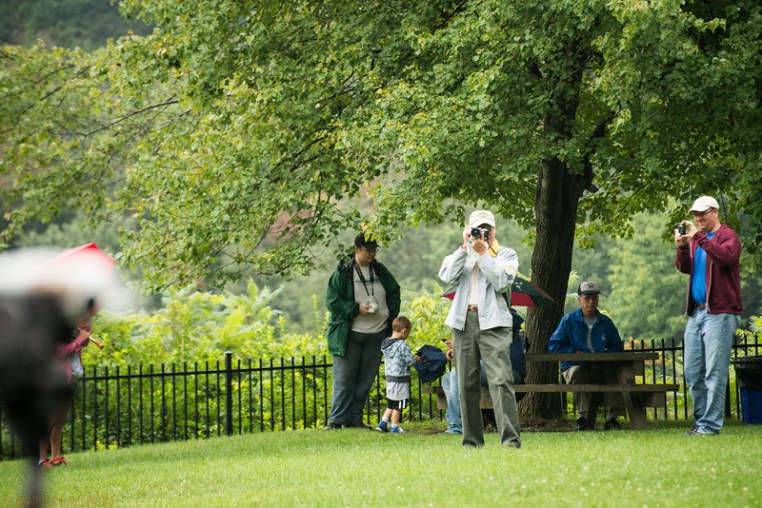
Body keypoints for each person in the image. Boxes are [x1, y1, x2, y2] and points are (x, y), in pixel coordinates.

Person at [439, 210, 521, 448]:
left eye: (488, 229)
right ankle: (472, 442)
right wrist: (464, 247)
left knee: (501, 380)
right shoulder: (463, 253)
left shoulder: (506, 254)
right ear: (470, 229)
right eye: (478, 229)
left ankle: (510, 441)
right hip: (463, 321)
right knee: (465, 384)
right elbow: (447, 276)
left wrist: (483, 253)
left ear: (494, 230)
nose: (483, 233)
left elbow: (502, 282)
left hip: (494, 323)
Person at [675, 195, 742, 436]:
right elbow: (684, 268)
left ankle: (710, 426)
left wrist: (698, 238)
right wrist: (683, 247)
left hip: (720, 312)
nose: (698, 218)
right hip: (697, 312)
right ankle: (702, 422)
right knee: (692, 372)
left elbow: (726, 258)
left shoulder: (727, 236)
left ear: (715, 212)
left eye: (702, 213)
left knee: (715, 371)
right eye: (695, 214)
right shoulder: (697, 240)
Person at [325, 233, 401, 430]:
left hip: (377, 334)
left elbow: (394, 292)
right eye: (368, 250)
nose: (372, 254)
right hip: (349, 334)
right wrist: (355, 309)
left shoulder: (379, 270)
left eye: (375, 250)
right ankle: (336, 420)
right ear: (357, 249)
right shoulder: (344, 272)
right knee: (344, 379)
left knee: (365, 380)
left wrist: (390, 317)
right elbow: (332, 302)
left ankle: (355, 419)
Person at [548, 281, 625, 431]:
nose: (591, 302)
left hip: (601, 364)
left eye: (594, 298)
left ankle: (613, 418)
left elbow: (616, 344)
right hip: (574, 365)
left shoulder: (605, 322)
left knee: (617, 373)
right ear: (579, 299)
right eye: (587, 298)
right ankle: (582, 417)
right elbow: (554, 344)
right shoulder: (569, 320)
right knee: (579, 373)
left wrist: (606, 355)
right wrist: (572, 352)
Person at [441, 309, 527, 435]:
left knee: (457, 373)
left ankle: (456, 426)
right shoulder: (489, 319)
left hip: (508, 370)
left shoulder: (504, 319)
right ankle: (466, 423)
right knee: (447, 379)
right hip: (492, 367)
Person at [39, 302, 97, 467]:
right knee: (50, 418)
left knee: (59, 417)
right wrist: (79, 340)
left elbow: (84, 343)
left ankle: (56, 457)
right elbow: (61, 351)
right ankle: (41, 459)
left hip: (72, 373)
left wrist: (85, 329)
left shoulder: (75, 320)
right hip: (57, 375)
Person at [376, 316, 421, 434]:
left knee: (391, 403)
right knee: (398, 405)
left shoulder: (386, 343)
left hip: (390, 378)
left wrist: (411, 356)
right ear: (404, 331)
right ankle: (394, 427)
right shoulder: (402, 345)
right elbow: (409, 361)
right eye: (408, 333)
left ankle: (382, 423)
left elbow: (399, 357)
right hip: (400, 379)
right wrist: (415, 359)